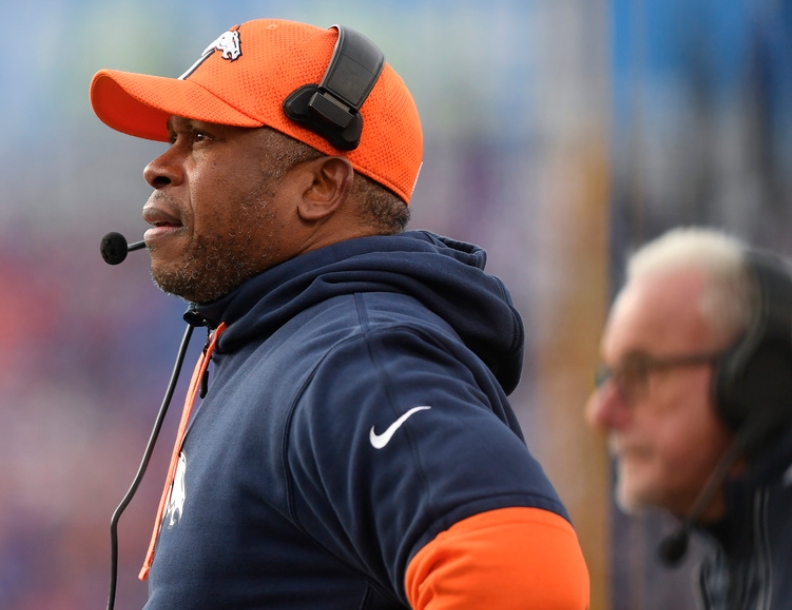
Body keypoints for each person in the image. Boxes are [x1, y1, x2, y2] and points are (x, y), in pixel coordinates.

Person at [91, 18, 589, 609]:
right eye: (174, 135)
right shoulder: (292, 347)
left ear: (321, 187)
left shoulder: (357, 356)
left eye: (201, 137)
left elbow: (525, 578)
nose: (158, 165)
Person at [585, 226, 792, 609]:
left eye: (639, 372)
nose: (600, 413)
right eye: (608, 377)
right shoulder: (746, 560)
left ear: (755, 381)